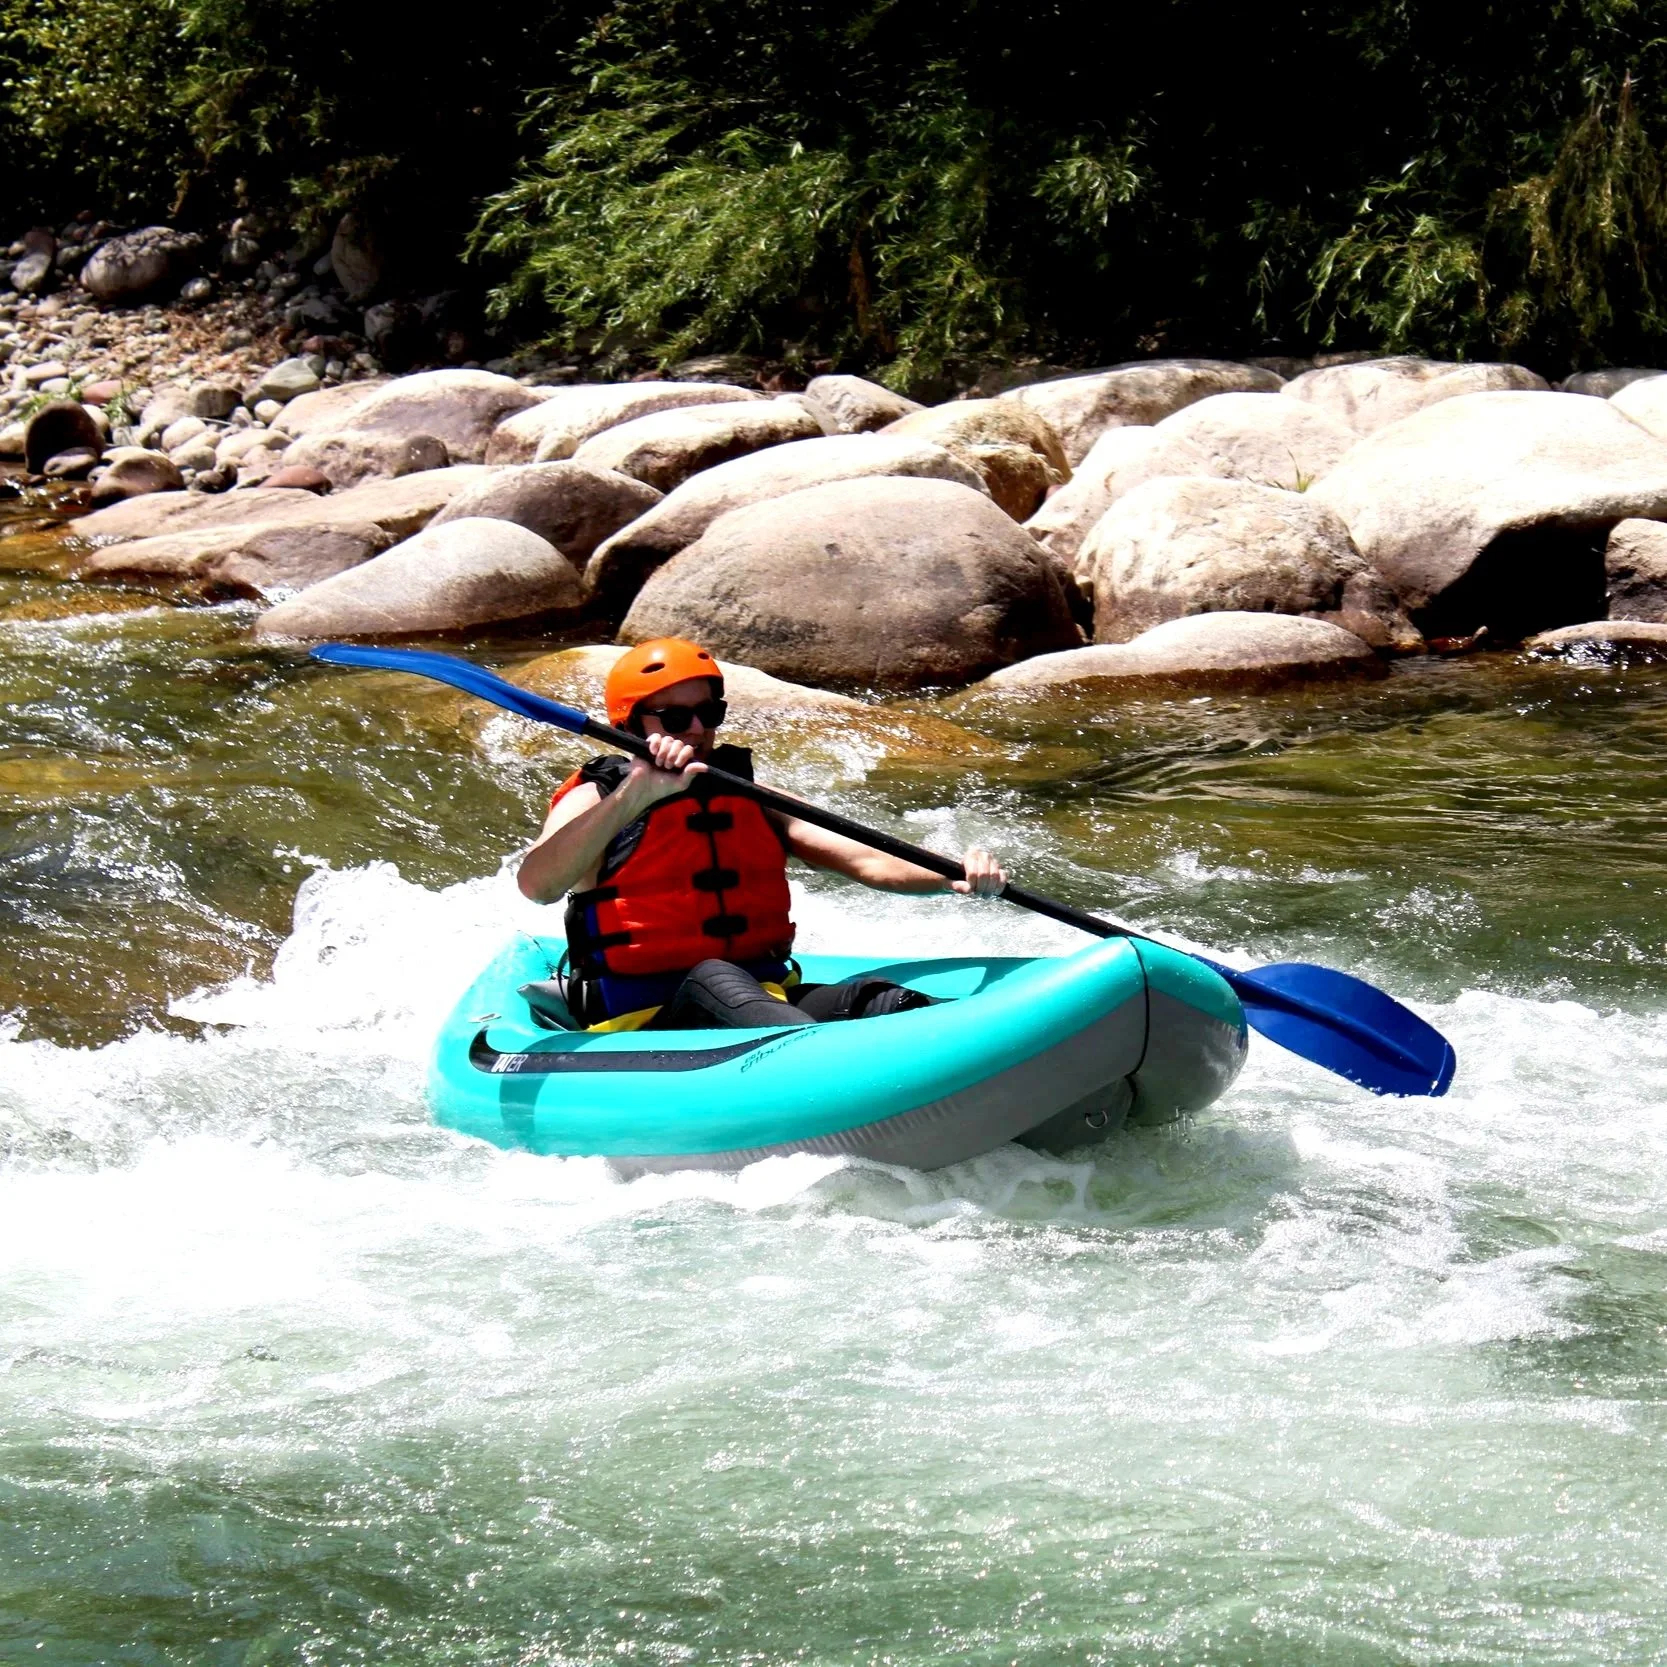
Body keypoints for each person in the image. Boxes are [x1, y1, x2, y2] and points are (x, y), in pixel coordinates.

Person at [516, 637, 1007, 1031]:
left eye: (708, 713)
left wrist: (950, 874)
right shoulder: (598, 797)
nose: (694, 729)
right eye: (673, 717)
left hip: (765, 998)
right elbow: (539, 885)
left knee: (879, 1001)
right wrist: (636, 795)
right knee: (715, 978)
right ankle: (823, 1068)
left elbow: (865, 858)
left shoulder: (746, 794)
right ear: (628, 724)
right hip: (642, 1016)